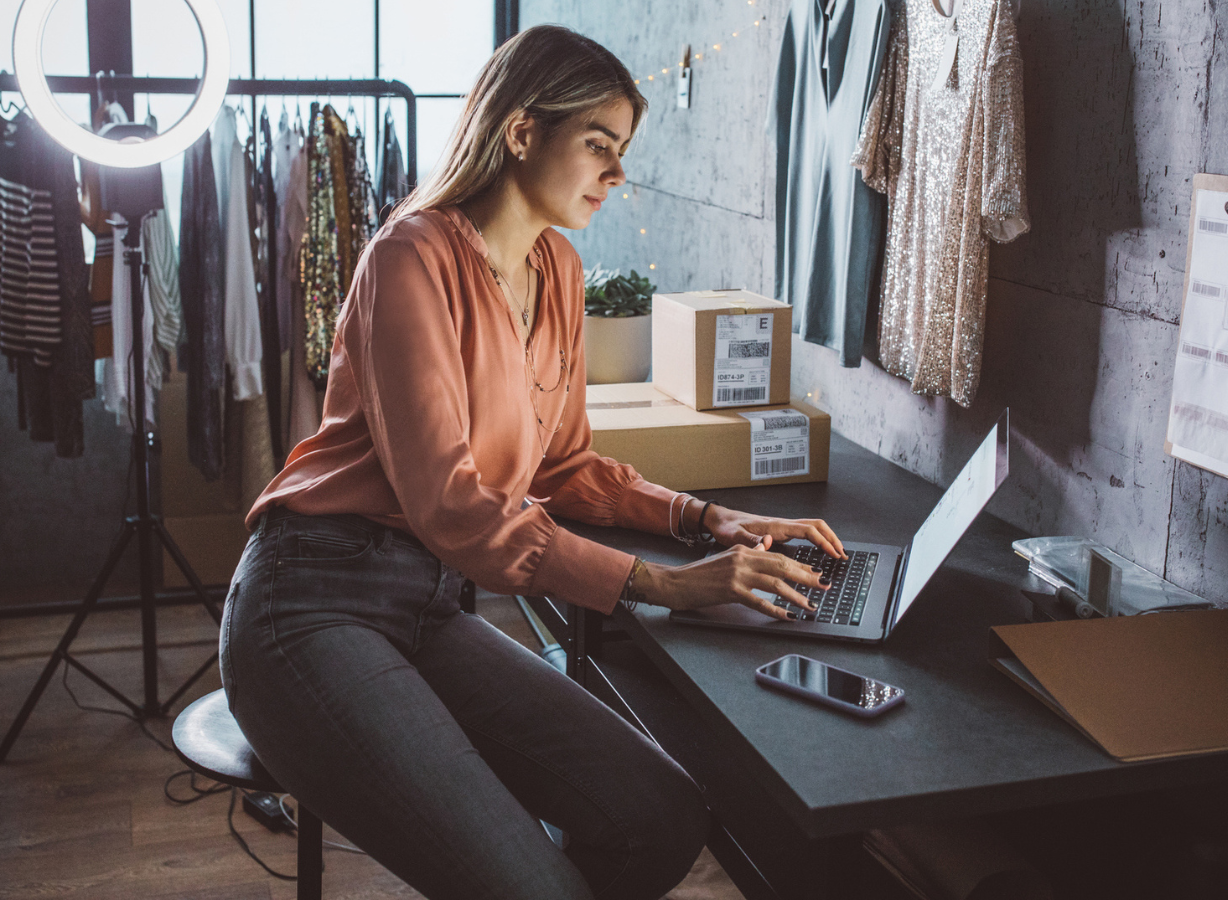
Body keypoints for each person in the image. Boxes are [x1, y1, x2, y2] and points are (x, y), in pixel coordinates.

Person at [220, 24, 844, 900]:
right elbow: (453, 509)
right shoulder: (409, 259)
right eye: (598, 145)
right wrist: (669, 585)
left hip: (427, 605)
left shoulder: (557, 268)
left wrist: (707, 519)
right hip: (311, 601)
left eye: (621, 150)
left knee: (661, 817)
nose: (617, 174)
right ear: (522, 132)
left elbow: (564, 465)